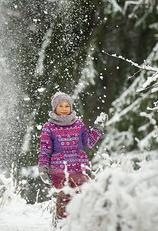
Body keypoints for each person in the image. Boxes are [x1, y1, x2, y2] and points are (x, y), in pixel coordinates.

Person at [38, 91, 107, 219]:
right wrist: (43, 167)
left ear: (71, 107)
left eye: (67, 106)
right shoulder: (49, 127)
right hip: (59, 171)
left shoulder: (78, 124)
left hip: (79, 169)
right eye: (60, 106)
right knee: (65, 201)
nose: (64, 109)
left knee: (83, 199)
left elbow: (89, 142)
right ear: (54, 108)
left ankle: (82, 227)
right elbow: (45, 150)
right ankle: (64, 229)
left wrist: (98, 127)